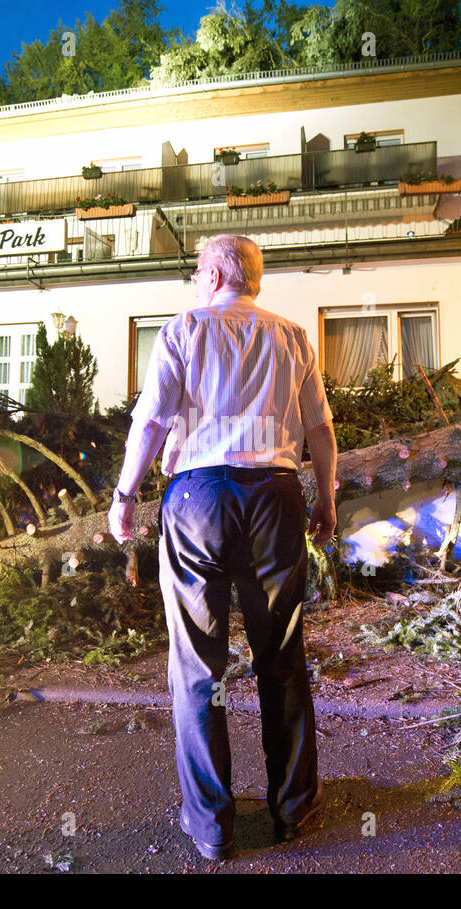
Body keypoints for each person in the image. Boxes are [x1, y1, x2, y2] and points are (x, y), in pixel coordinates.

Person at [108, 234, 338, 861]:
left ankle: (211, 826)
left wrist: (125, 495)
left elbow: (151, 420)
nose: (193, 281)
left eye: (195, 272)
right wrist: (327, 502)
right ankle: (294, 810)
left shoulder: (184, 328)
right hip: (276, 496)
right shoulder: (291, 335)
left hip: (199, 497)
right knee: (282, 657)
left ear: (212, 276)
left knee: (197, 666)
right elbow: (320, 428)